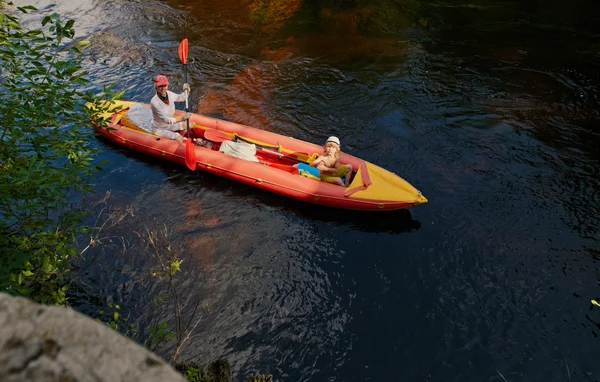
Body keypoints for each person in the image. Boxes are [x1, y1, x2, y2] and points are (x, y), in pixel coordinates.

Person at [150, 74, 191, 144]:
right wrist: (182, 119)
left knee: (190, 125)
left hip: (169, 125)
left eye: (164, 85)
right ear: (156, 87)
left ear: (167, 85)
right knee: (178, 137)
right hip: (159, 129)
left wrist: (187, 91)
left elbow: (181, 97)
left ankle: (179, 137)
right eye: (160, 86)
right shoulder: (154, 102)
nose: (163, 88)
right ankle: (177, 139)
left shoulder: (169, 94)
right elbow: (166, 120)